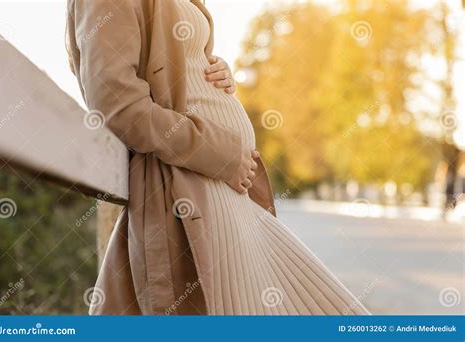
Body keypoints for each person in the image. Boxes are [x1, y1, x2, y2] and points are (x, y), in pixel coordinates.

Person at [66, 0, 370, 315]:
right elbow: (118, 107)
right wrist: (220, 153)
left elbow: (173, 70)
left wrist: (209, 68)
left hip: (225, 193)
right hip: (193, 192)